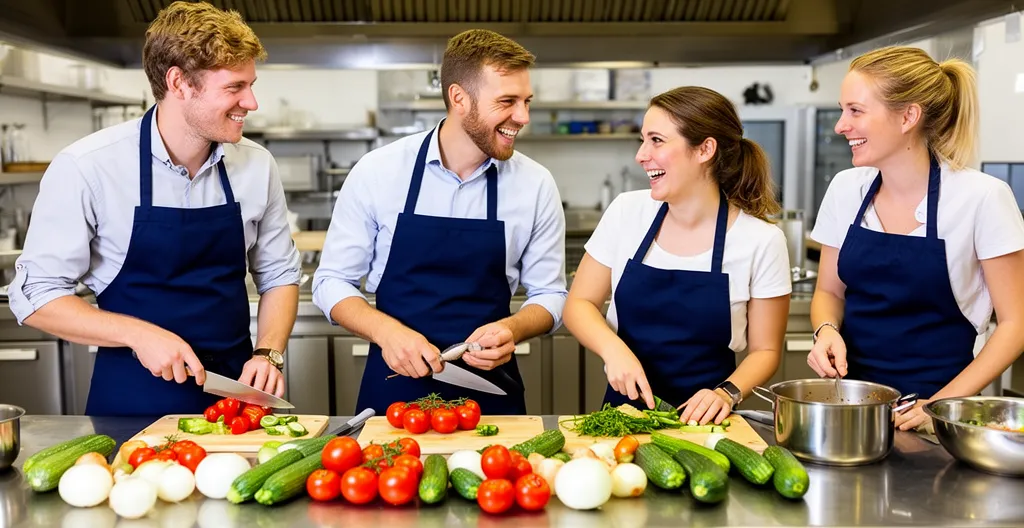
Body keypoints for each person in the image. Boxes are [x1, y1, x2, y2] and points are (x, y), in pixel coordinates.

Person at [8, 1, 301, 416]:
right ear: (179, 83)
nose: (251, 103)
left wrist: (268, 353)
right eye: (234, 87)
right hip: (132, 399)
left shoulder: (256, 164)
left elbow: (280, 275)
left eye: (251, 85)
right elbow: (35, 295)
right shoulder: (88, 166)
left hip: (236, 399)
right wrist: (138, 334)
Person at [312, 29, 567, 415]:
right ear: (459, 98)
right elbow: (331, 281)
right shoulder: (379, 171)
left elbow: (551, 295)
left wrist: (513, 329)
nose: (523, 117)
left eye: (526, 101)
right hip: (395, 392)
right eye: (507, 101)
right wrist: (388, 333)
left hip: (490, 392)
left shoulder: (535, 184)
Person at [807, 45, 1024, 431]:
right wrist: (825, 331)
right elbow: (828, 293)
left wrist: (936, 408)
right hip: (851, 407)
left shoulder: (982, 198)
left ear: (908, 116)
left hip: (942, 418)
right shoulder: (846, 189)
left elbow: (1015, 324)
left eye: (855, 111)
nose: (841, 125)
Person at [562, 86, 792, 425]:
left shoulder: (761, 240)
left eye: (656, 140)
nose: (641, 155)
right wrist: (614, 351)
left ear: (705, 150)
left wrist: (726, 392)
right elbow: (579, 303)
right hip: (622, 418)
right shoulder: (627, 212)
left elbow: (766, 351)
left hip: (708, 422)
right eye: (643, 140)